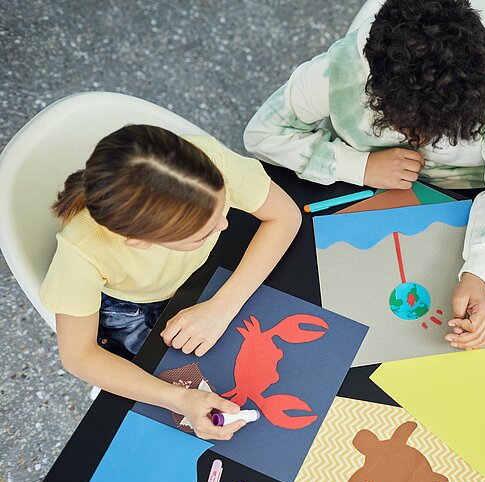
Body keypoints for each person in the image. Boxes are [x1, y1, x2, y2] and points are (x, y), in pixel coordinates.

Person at [243, 0, 485, 350]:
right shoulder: (340, 71)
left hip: (469, 201)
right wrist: (360, 166)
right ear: (375, 87)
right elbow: (263, 134)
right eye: (408, 126)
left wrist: (479, 272)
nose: (420, 141)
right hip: (357, 188)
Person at [41, 124, 301, 439]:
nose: (224, 224)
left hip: (195, 277)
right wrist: (177, 398)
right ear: (138, 241)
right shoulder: (80, 251)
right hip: (129, 306)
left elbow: (286, 216)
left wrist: (222, 306)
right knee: (165, 374)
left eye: (221, 206)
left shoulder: (206, 162)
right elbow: (79, 355)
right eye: (202, 232)